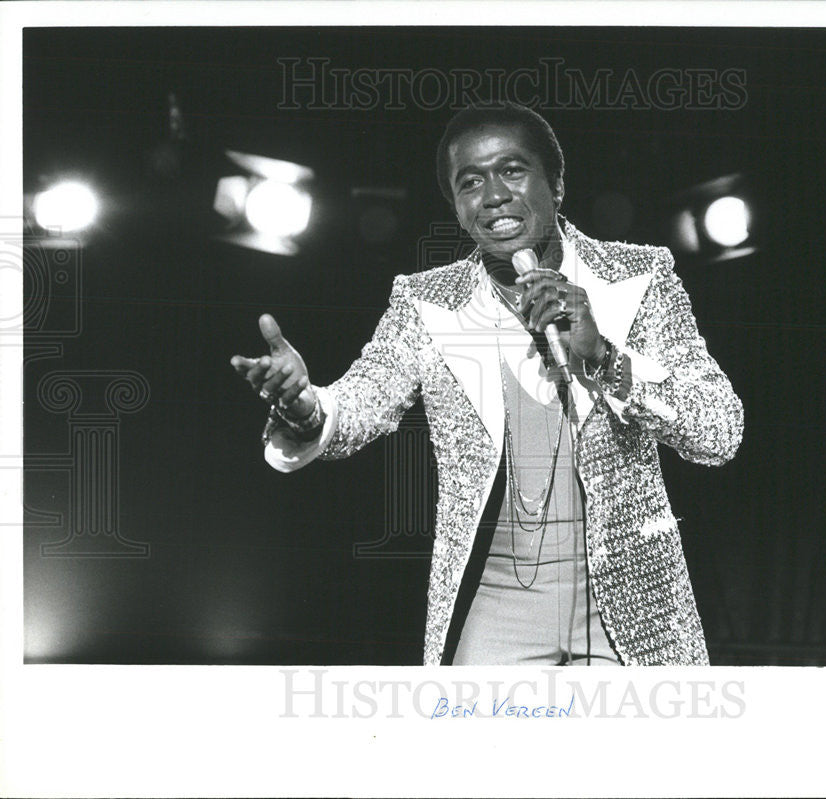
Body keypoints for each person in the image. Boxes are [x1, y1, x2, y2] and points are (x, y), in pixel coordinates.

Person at [230, 103, 743, 666]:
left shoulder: (639, 278)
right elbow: (362, 399)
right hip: (498, 603)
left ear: (558, 183)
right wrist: (307, 408)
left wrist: (602, 358)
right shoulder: (426, 302)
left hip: (630, 602)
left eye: (513, 170)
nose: (493, 195)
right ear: (456, 205)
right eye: (469, 182)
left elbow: (718, 429)